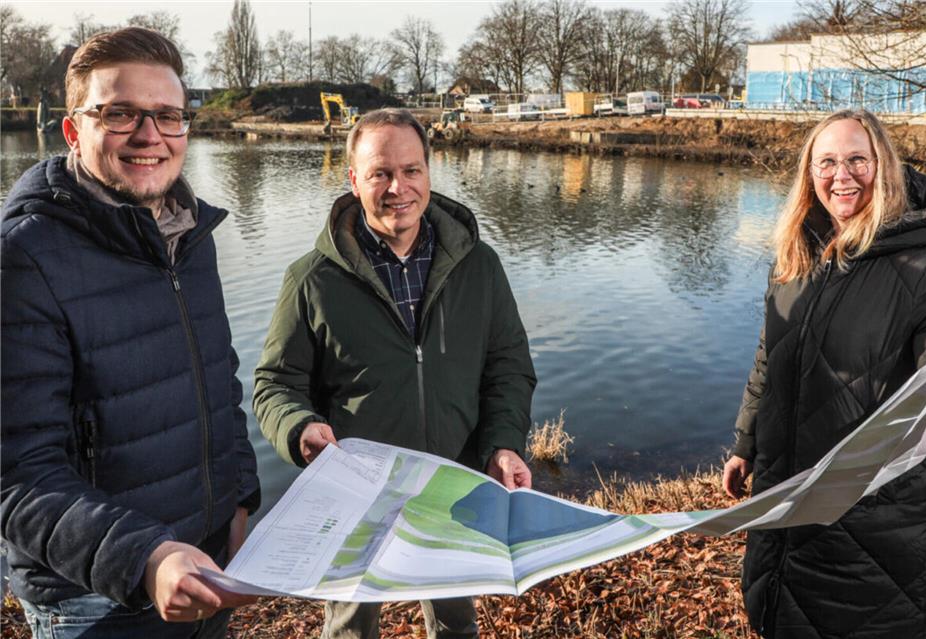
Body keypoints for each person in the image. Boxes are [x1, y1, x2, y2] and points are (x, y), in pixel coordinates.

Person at [1, 27, 260, 638]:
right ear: (73, 129)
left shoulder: (188, 236)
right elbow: (16, 475)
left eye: (168, 116)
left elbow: (218, 380)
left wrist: (241, 498)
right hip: (96, 602)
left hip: (203, 570)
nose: (150, 136)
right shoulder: (23, 260)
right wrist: (147, 558)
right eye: (120, 114)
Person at [254, 108, 537, 639]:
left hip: (452, 479)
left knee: (456, 625)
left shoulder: (480, 266)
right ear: (353, 179)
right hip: (355, 491)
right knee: (350, 628)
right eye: (380, 172)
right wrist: (298, 428)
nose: (397, 188)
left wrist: (503, 445)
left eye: (411, 171)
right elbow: (275, 383)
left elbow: (508, 368)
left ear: (429, 173)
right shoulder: (311, 279)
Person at [722, 109, 926, 638]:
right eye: (826, 162)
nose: (841, 175)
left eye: (857, 160)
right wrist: (746, 441)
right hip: (783, 504)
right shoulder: (796, 254)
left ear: (885, 166)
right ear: (810, 173)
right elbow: (770, 353)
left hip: (873, 527)